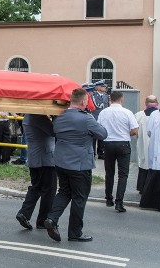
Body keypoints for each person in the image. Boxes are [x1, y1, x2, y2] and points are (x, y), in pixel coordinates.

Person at [43, 88, 108, 243]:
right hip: (80, 164)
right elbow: (103, 134)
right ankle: (75, 233)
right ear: (84, 101)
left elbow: (55, 133)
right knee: (79, 198)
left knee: (64, 192)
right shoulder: (86, 118)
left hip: (61, 161)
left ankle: (52, 219)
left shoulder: (59, 117)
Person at [97, 91, 139, 212]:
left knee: (109, 172)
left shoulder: (103, 112)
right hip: (123, 143)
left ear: (110, 99)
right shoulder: (127, 112)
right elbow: (135, 130)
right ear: (122, 99)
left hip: (108, 143)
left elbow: (99, 128)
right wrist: (127, 134)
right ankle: (119, 202)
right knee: (123, 174)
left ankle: (108, 198)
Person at [15, 114, 56, 230]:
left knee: (37, 187)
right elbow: (54, 131)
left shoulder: (30, 116)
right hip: (45, 159)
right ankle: (42, 220)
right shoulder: (38, 117)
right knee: (49, 190)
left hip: (36, 158)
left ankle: (24, 213)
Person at [135, 95, 158, 193]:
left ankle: (142, 187)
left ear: (145, 103)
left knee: (143, 162)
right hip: (156, 144)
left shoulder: (139, 115)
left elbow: (134, 129)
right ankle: (153, 187)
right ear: (157, 103)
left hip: (142, 143)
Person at [90, 80, 109, 159]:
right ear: (97, 87)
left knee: (101, 136)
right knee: (94, 137)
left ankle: (101, 152)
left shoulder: (106, 96)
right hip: (95, 117)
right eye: (102, 86)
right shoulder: (93, 96)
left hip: (103, 118)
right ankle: (93, 153)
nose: (104, 88)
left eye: (104, 86)